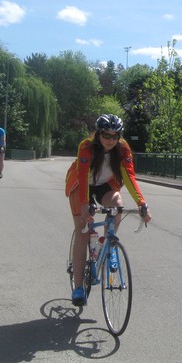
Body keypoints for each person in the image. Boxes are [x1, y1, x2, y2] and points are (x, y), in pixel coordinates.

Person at [65, 114, 152, 306]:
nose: (111, 140)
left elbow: (129, 177)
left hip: (105, 185)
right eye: (106, 135)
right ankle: (79, 288)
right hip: (81, 185)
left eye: (115, 136)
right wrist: (85, 204)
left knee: (117, 203)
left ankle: (110, 245)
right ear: (98, 134)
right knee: (82, 233)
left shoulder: (122, 148)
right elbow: (82, 173)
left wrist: (141, 203)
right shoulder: (86, 146)